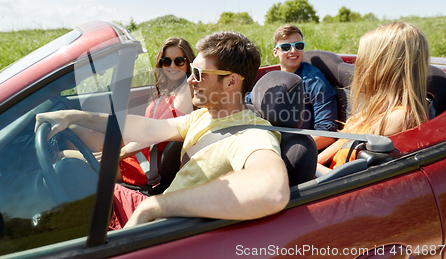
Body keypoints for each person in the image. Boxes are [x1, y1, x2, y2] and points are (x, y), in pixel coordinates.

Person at [35, 31, 290, 229]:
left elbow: (272, 190)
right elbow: (146, 128)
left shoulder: (252, 135)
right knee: (75, 175)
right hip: (158, 210)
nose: (191, 80)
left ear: (232, 81)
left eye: (199, 73)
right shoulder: (205, 115)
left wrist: (155, 207)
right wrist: (73, 116)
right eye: (192, 72)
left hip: (166, 228)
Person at [317, 22, 430, 174]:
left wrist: (305, 166)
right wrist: (310, 160)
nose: (358, 64)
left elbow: (347, 181)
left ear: (383, 65)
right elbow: (344, 141)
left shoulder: (398, 118)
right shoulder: (380, 105)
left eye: (364, 57)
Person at [246, 24, 338, 149]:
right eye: (286, 47)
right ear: (275, 52)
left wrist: (281, 151)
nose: (293, 51)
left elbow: (327, 135)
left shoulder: (315, 81)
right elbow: (248, 102)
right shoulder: (270, 79)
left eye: (298, 46)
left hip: (297, 148)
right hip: (266, 140)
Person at [118, 37, 195, 186]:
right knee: (83, 135)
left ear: (188, 63)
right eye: (166, 61)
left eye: (179, 61)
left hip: (148, 165)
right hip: (140, 151)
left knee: (88, 164)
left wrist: (118, 155)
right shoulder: (166, 90)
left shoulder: (186, 90)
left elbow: (153, 133)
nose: (172, 66)